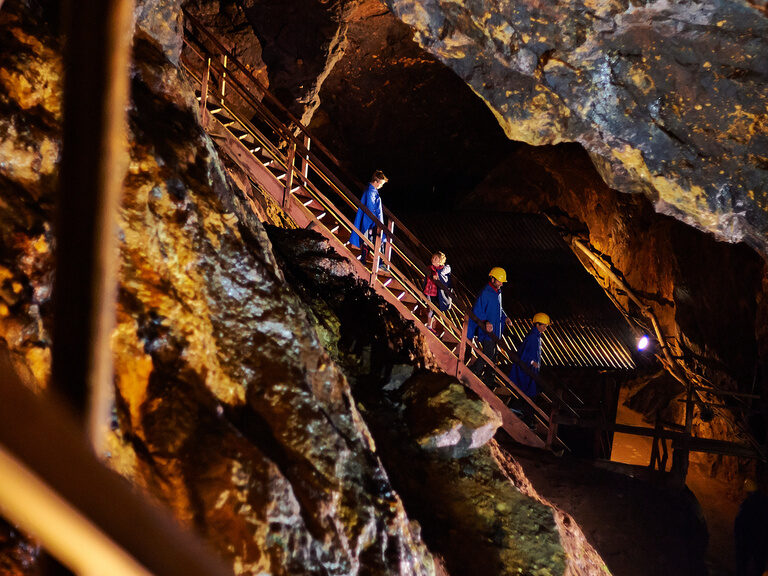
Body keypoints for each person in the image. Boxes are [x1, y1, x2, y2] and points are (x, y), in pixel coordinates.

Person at [467, 267, 513, 381]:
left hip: (496, 330)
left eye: (502, 282)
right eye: (499, 281)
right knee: (488, 353)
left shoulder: (498, 292)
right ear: (492, 279)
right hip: (487, 331)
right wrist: (485, 322)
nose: (501, 284)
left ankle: (489, 377)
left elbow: (499, 308)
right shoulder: (485, 293)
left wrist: (505, 317)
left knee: (494, 354)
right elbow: (478, 310)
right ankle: (474, 371)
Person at [508, 313, 550, 427]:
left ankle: (525, 416)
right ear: (537, 324)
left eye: (546, 326)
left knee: (529, 393)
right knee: (529, 393)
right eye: (544, 325)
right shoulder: (532, 337)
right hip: (527, 370)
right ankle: (525, 418)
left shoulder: (536, 336)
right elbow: (525, 352)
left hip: (530, 370)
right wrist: (532, 362)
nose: (545, 328)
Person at [350, 170, 388, 266]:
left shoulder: (371, 191)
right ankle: (378, 263)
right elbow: (370, 209)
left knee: (369, 241)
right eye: (381, 184)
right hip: (371, 222)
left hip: (371, 221)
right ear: (376, 182)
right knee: (376, 241)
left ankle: (366, 260)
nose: (381, 186)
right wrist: (373, 224)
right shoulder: (370, 192)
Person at [735, 478, 768, 576]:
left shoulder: (746, 504)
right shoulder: (765, 501)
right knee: (759, 563)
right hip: (762, 539)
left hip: (748, 538)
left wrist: (738, 538)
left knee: (742, 562)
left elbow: (739, 523)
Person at [423, 251, 452, 332]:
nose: (433, 259)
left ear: (440, 261)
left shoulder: (442, 270)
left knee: (435, 308)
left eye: (436, 258)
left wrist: (438, 277)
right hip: (430, 291)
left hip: (437, 293)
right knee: (432, 308)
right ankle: (429, 325)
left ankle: (430, 322)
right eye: (433, 257)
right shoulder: (430, 268)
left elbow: (445, 279)